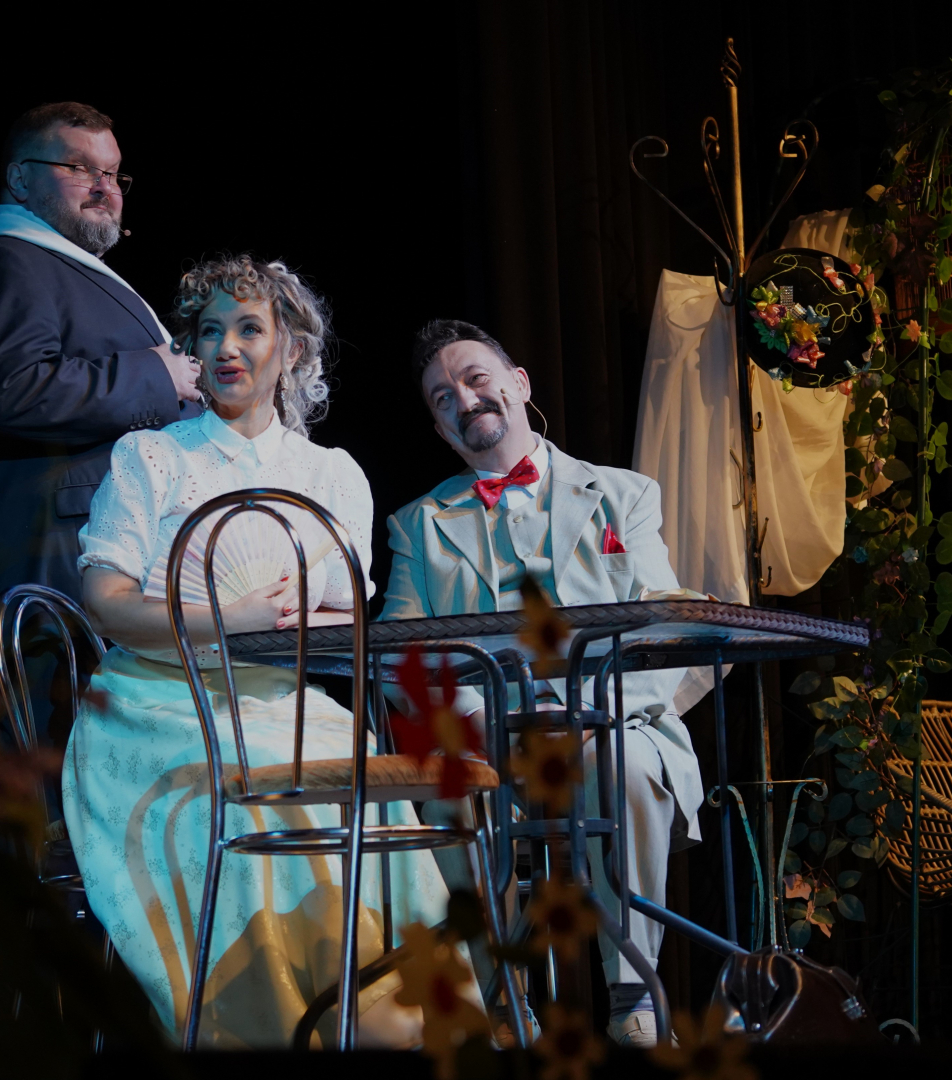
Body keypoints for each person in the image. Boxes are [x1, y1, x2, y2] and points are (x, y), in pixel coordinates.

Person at [66, 256, 446, 1049]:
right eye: (210, 332)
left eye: (249, 329)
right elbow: (104, 601)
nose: (227, 348)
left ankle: (394, 1010)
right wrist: (227, 617)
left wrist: (303, 612)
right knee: (252, 786)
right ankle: (273, 1024)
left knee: (361, 775)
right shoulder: (154, 458)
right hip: (155, 704)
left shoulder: (329, 474)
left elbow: (348, 603)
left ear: (291, 350)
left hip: (281, 703)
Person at [379, 319, 703, 1048]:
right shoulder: (416, 525)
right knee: (451, 786)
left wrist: (586, 714)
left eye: (475, 378)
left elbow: (661, 626)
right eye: (442, 398)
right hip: (484, 736)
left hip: (610, 724)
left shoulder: (626, 496)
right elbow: (398, 656)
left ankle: (634, 997)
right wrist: (485, 719)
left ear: (518, 383)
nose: (464, 399)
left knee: (620, 765)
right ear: (438, 427)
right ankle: (502, 1005)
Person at [0, 102, 203, 650]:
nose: (104, 187)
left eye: (113, 173)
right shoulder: (7, 264)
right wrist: (157, 374)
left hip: (107, 552)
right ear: (19, 179)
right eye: (79, 168)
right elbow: (15, 390)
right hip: (55, 562)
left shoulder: (60, 267)